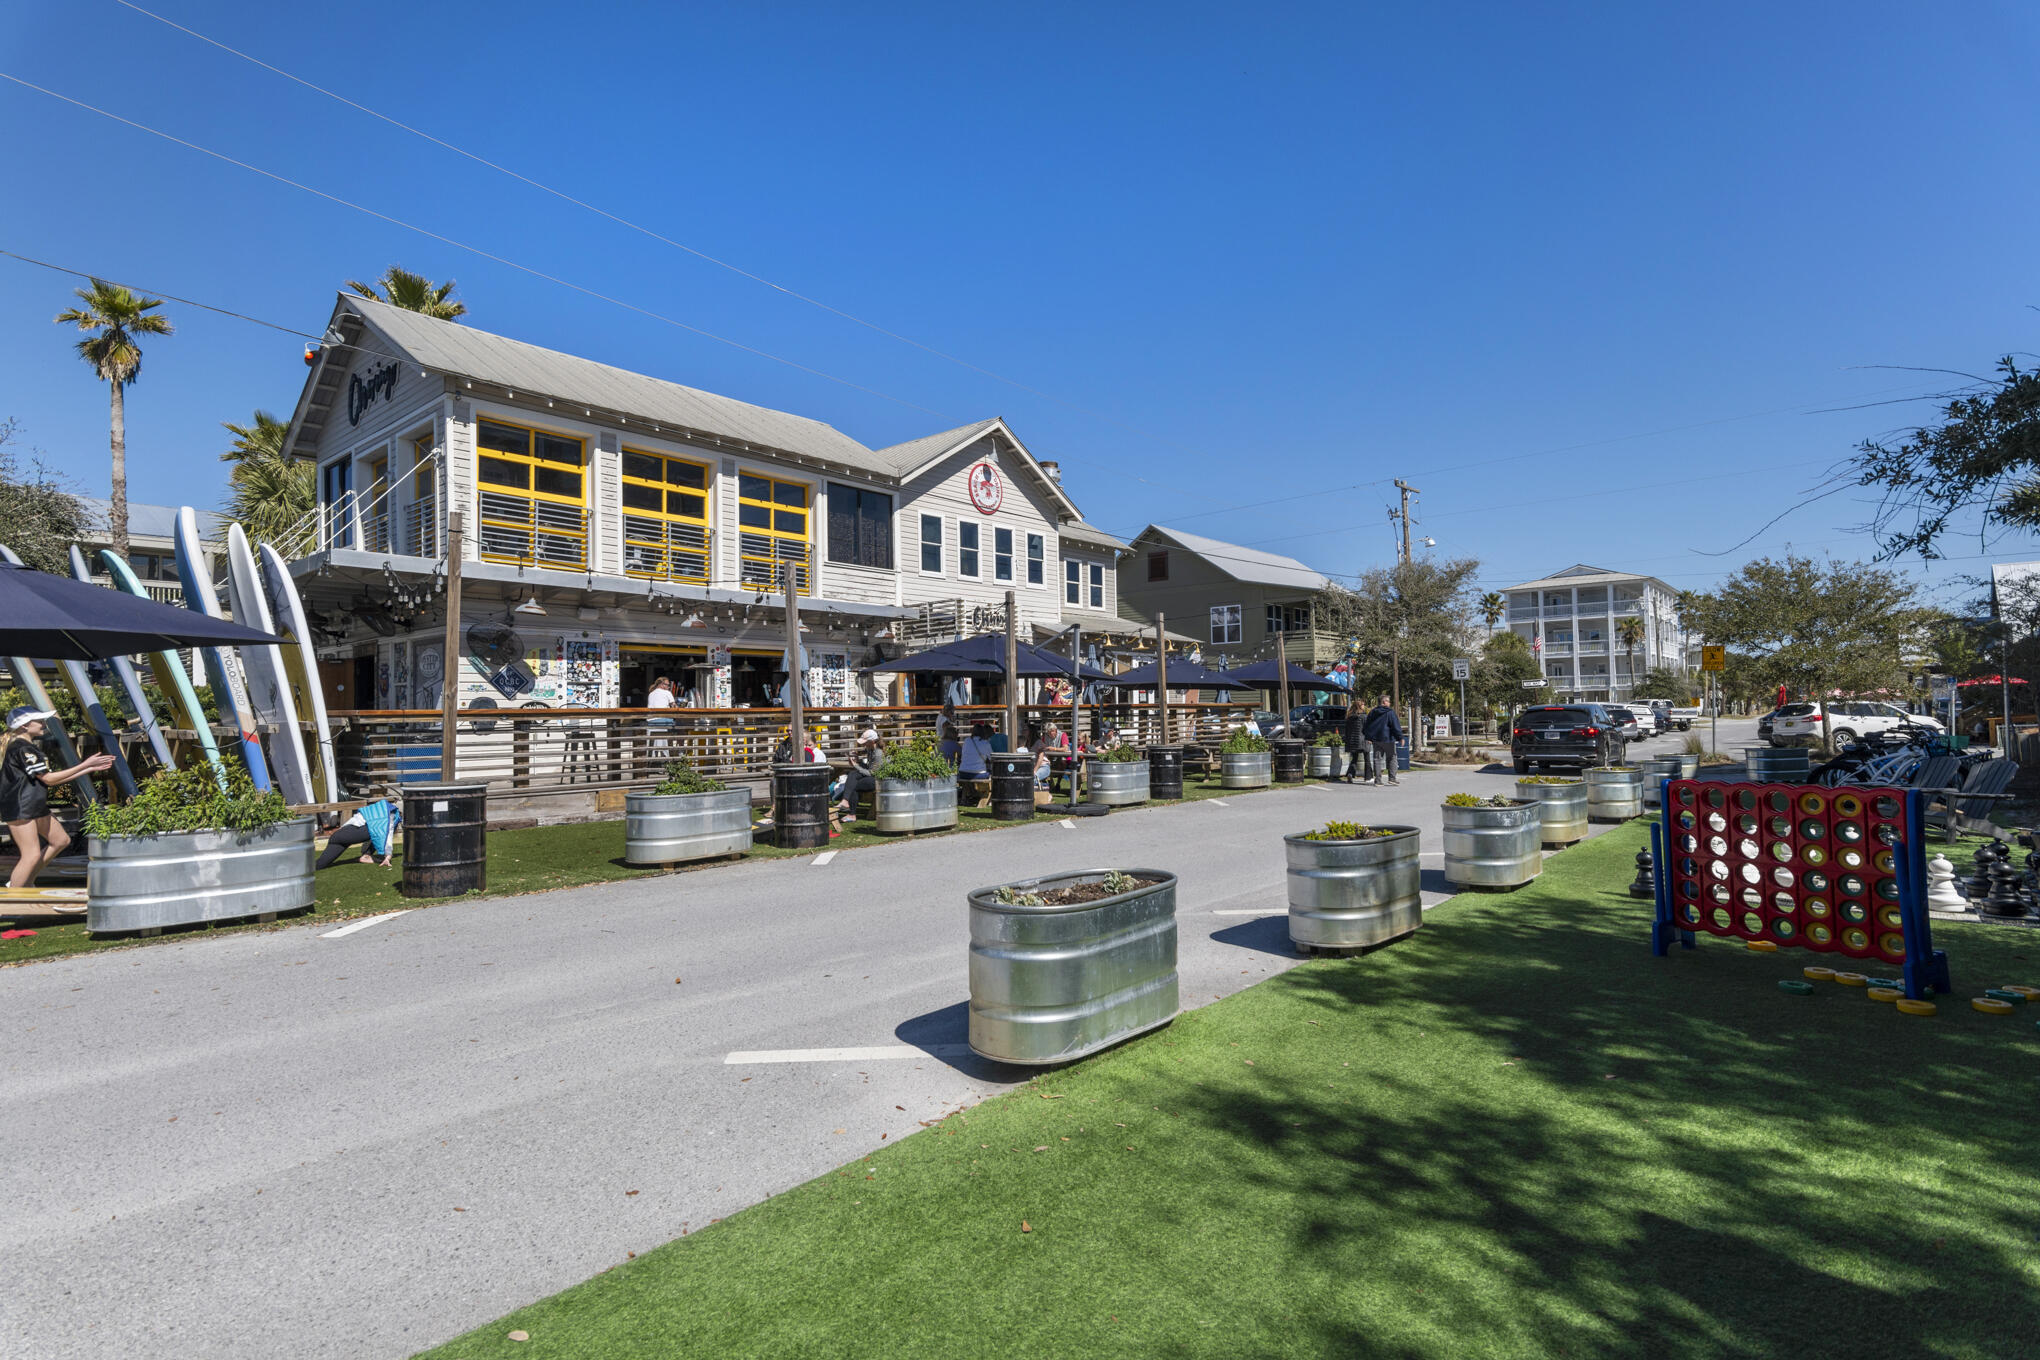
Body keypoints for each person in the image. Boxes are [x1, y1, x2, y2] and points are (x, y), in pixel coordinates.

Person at [2, 707, 115, 890]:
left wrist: (87, 768)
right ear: (24, 726)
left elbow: (50, 780)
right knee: (30, 855)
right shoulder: (24, 749)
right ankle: (11, 898)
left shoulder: (27, 748)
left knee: (61, 840)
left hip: (33, 804)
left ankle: (25, 881)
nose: (43, 724)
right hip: (21, 807)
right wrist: (85, 764)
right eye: (39, 721)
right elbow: (48, 778)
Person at [317, 797, 403, 870]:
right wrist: (388, 855)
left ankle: (366, 855)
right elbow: (388, 833)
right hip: (342, 837)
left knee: (319, 864)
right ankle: (366, 855)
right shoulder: (390, 815)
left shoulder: (380, 808)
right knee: (379, 832)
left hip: (341, 836)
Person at [835, 729, 881, 821]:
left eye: (865, 742)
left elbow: (872, 772)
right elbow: (868, 767)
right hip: (872, 776)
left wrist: (856, 765)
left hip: (878, 780)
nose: (863, 745)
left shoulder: (878, 753)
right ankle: (845, 802)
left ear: (872, 741)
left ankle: (851, 813)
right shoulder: (871, 749)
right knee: (852, 774)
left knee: (854, 784)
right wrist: (858, 761)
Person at [1363, 694, 1404, 787]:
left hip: (1376, 739)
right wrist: (1400, 737)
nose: (1389, 703)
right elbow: (1395, 725)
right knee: (1392, 757)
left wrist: (1368, 737)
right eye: (1388, 701)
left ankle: (1378, 780)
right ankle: (1392, 778)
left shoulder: (1373, 712)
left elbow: (1367, 725)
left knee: (1377, 759)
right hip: (1388, 738)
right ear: (1384, 702)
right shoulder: (1390, 712)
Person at [1340, 704, 1369, 784]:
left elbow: (1346, 730)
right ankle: (1368, 777)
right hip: (1362, 740)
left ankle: (1350, 773)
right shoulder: (1363, 717)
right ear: (1359, 707)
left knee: (1354, 759)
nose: (1364, 706)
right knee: (1367, 758)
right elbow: (1367, 728)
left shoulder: (1349, 717)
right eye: (1363, 705)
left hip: (1352, 741)